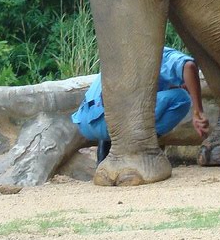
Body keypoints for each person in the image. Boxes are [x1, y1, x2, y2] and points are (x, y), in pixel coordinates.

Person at [72, 47, 210, 162]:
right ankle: (141, 148)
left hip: (85, 122)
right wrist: (198, 111)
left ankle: (105, 154)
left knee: (132, 100)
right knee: (182, 98)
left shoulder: (127, 53)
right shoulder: (160, 53)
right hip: (109, 120)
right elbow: (189, 66)